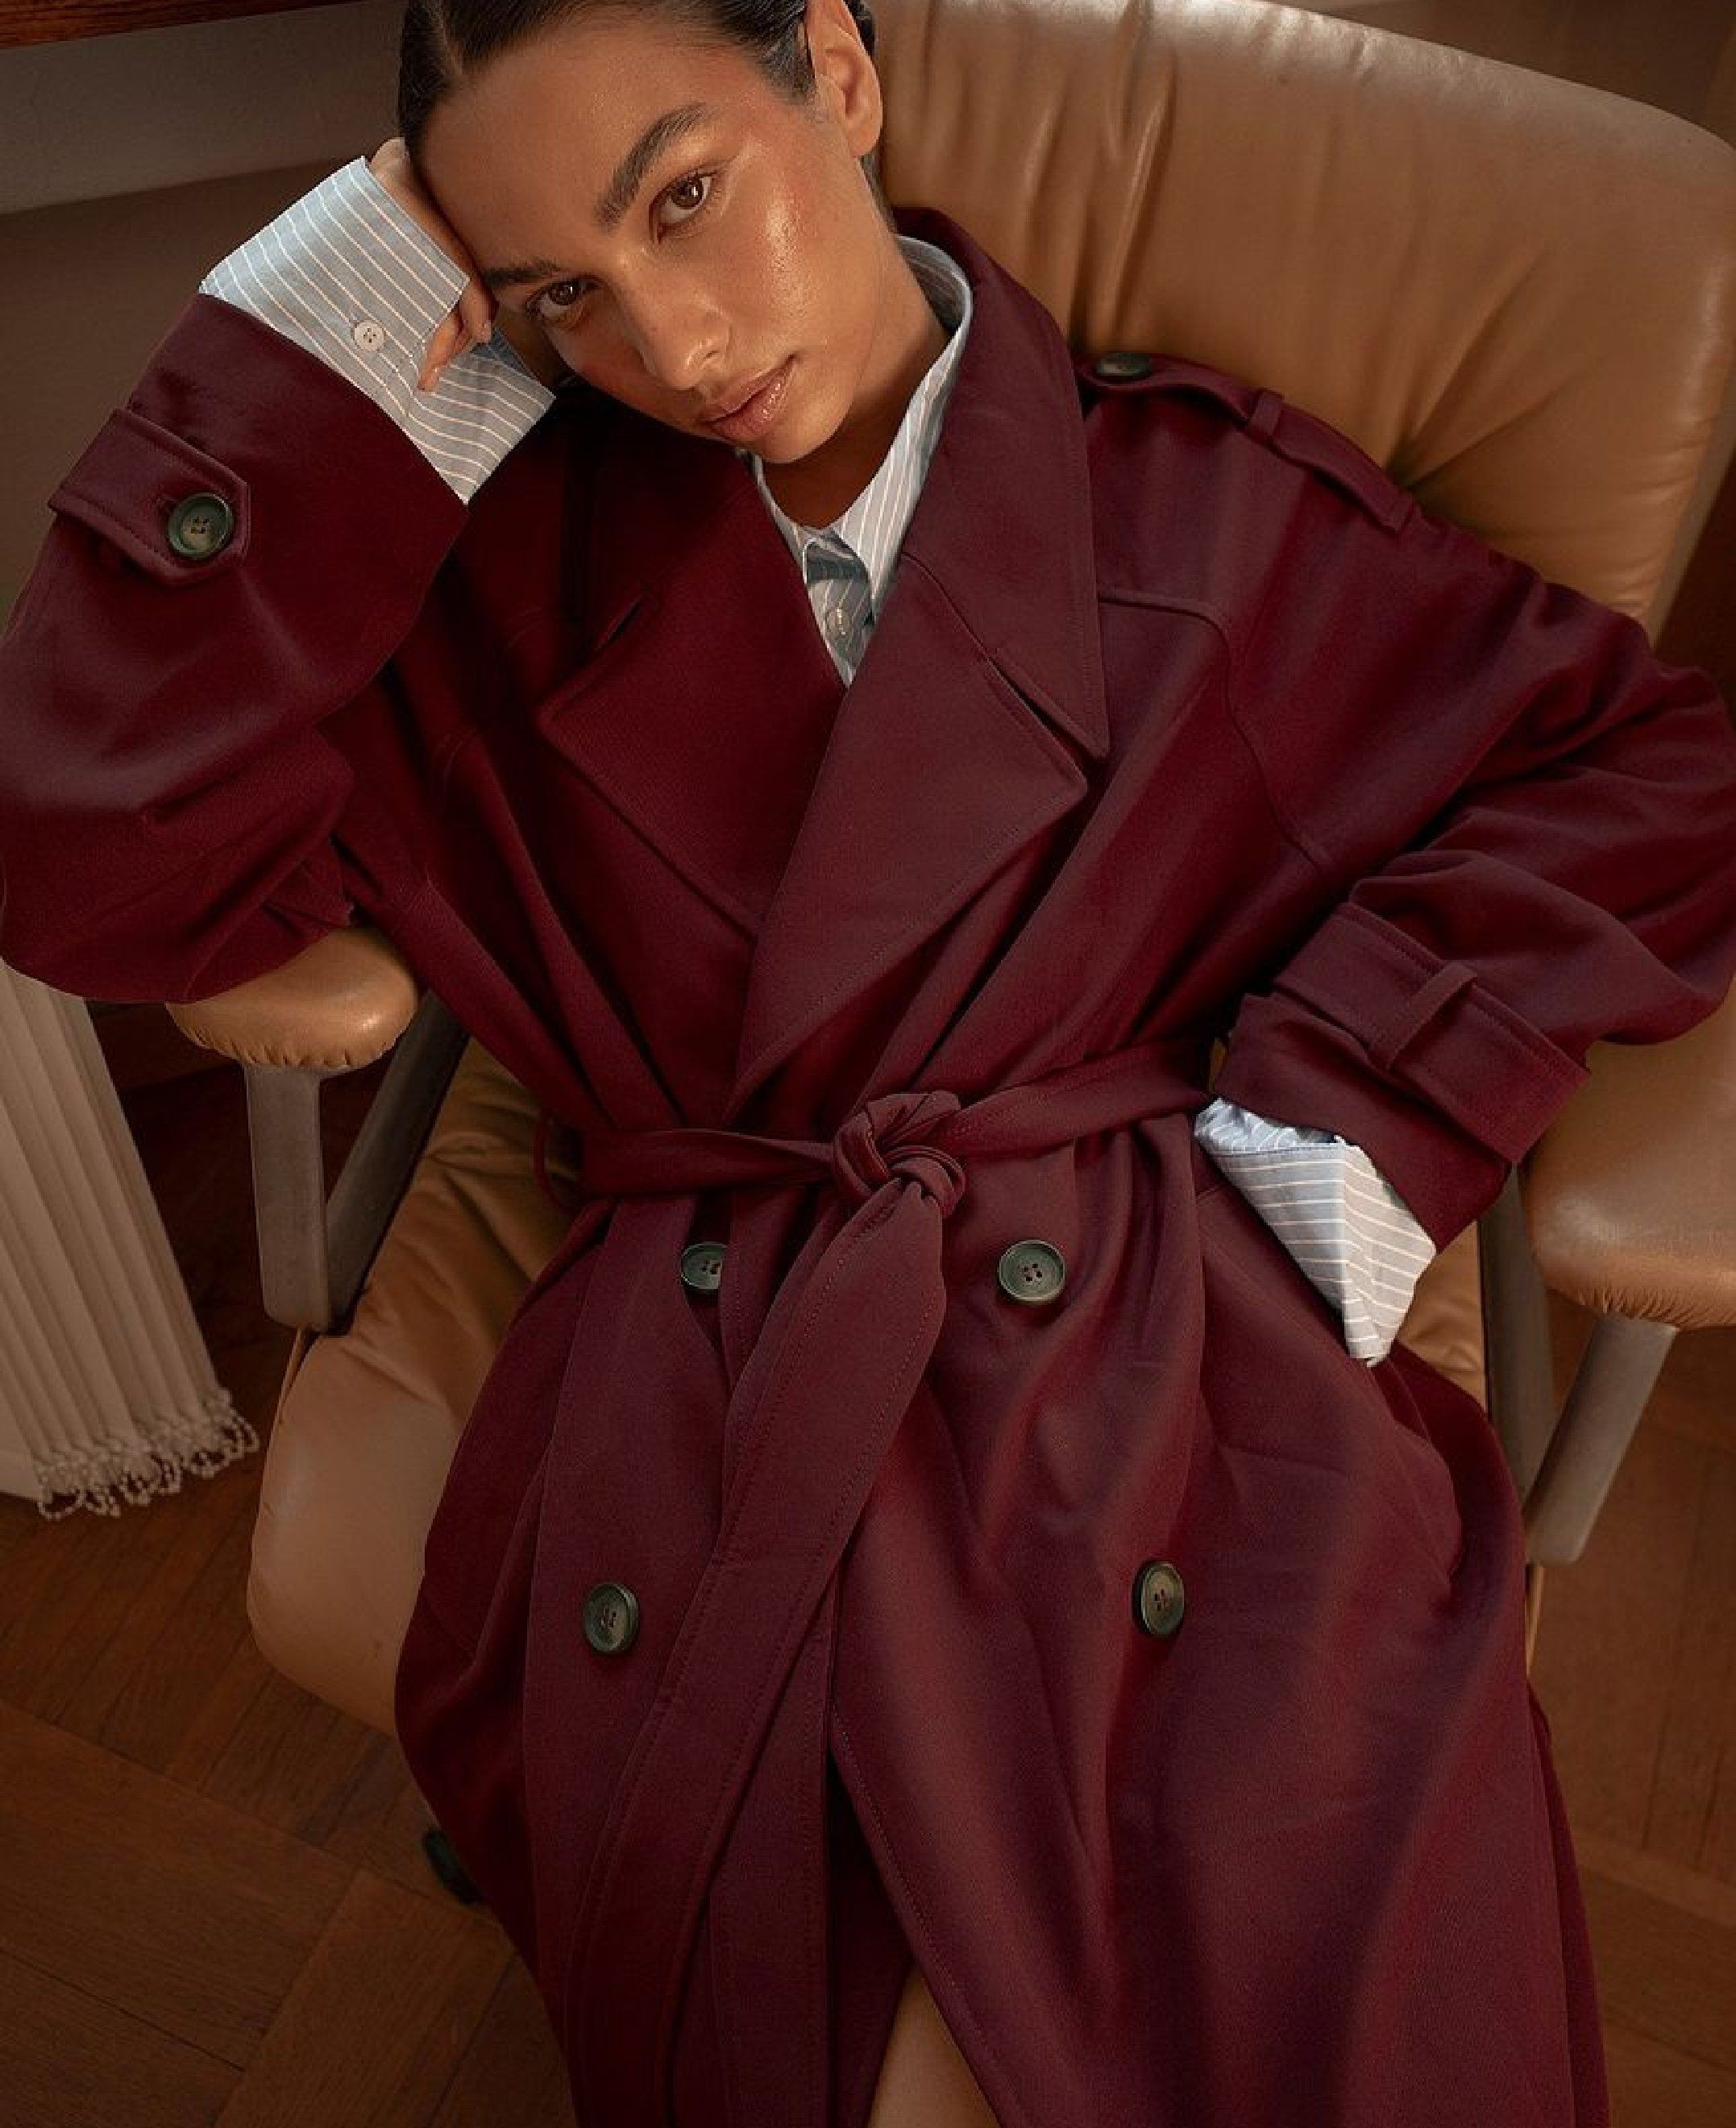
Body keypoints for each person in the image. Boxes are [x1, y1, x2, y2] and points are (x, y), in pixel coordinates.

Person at [2, 1, 1734, 2122]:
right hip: (714, 1351)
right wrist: (326, 309)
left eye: (683, 196)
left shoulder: (1201, 510)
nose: (671, 342)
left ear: (833, 68)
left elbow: (1645, 767)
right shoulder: (488, 579)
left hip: (1157, 1351)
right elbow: (79, 869)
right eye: (561, 293)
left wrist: (1353, 1113)